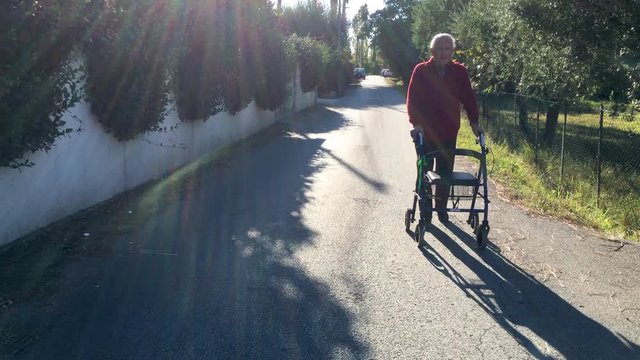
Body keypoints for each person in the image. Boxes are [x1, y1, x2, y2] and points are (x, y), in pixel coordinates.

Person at [406, 33, 482, 226]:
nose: (443, 52)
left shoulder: (460, 72)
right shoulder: (421, 71)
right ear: (432, 51)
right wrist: (416, 124)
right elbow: (412, 99)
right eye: (440, 48)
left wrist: (474, 122)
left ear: (452, 51)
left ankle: (441, 210)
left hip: (448, 130)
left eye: (447, 48)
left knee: (445, 173)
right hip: (425, 131)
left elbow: (468, 98)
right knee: (425, 169)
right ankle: (426, 210)